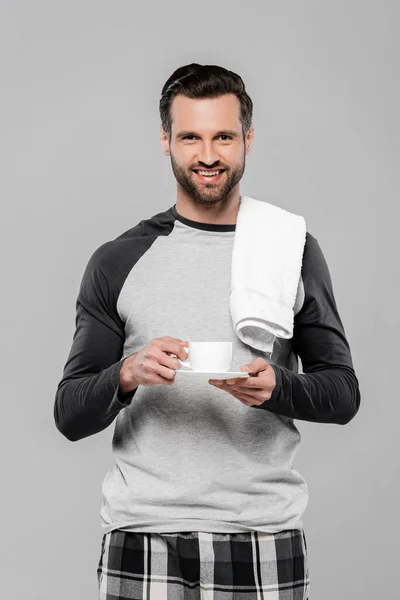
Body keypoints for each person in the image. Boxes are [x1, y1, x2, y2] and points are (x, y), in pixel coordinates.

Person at [54, 62, 361, 599]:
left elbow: (343, 392)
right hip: (144, 531)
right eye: (190, 137)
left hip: (260, 530)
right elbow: (70, 413)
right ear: (165, 140)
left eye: (223, 136)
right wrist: (126, 374)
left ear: (247, 138)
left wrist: (278, 388)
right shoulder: (117, 260)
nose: (209, 155)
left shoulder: (290, 249)